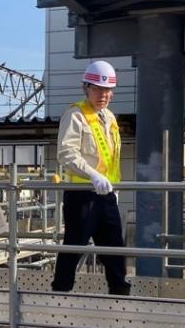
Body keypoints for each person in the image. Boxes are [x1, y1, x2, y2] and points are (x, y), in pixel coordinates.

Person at [51, 60, 130, 295]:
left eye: (107, 90)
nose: (103, 95)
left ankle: (119, 293)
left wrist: (115, 188)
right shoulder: (75, 115)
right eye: (97, 89)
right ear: (86, 88)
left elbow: (112, 157)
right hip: (82, 194)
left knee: (115, 247)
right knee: (74, 245)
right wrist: (92, 174)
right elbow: (66, 153)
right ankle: (60, 293)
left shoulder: (111, 118)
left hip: (106, 193)